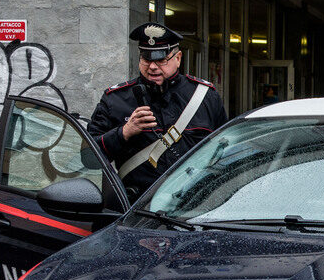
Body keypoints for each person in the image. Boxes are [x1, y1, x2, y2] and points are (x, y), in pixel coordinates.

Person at [87, 22, 228, 197]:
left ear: (178, 58)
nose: (153, 67)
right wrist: (123, 133)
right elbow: (88, 158)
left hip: (194, 202)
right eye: (147, 60)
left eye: (161, 60)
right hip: (137, 204)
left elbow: (224, 150)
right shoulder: (115, 99)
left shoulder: (205, 96)